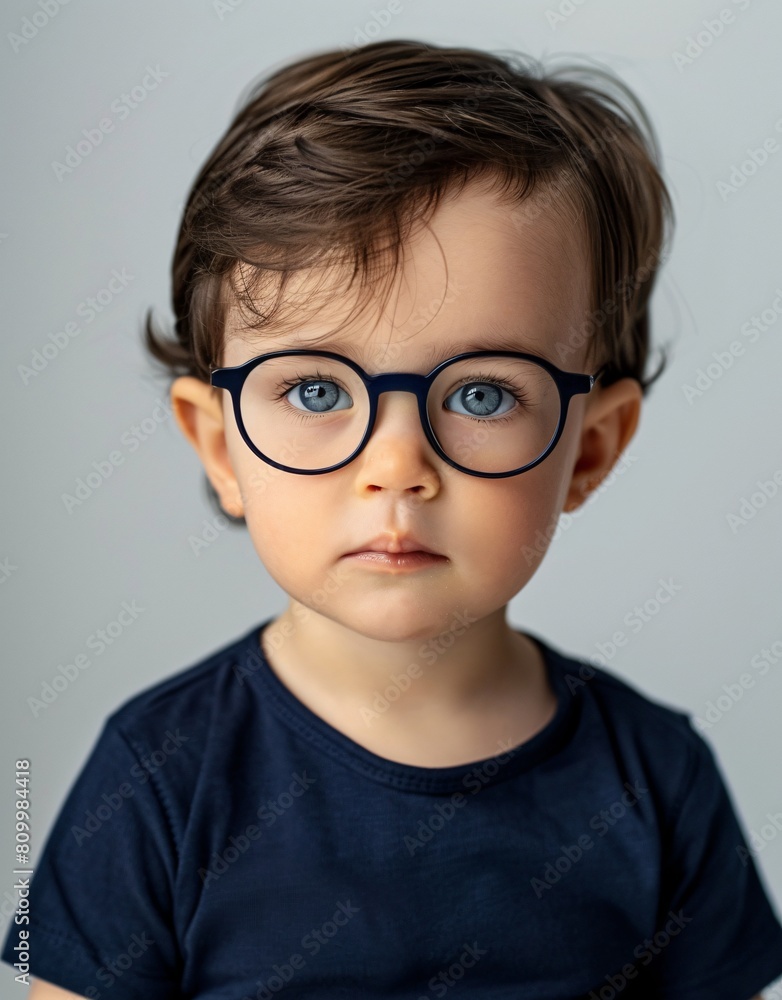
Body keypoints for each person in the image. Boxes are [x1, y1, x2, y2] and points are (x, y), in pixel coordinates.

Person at [5, 39, 782, 1000]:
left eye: (486, 395)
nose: (397, 469)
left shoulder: (659, 779)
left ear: (589, 448)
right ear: (219, 447)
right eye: (320, 389)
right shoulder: (154, 778)